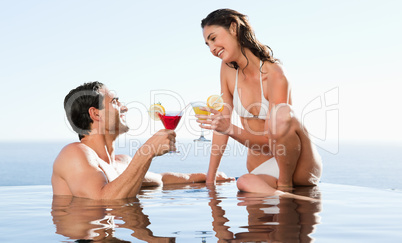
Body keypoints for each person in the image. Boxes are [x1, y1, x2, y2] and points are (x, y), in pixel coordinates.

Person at [197, 9, 322, 194]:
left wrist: (230, 128)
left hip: (297, 165)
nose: (212, 49)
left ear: (233, 28)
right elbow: (221, 126)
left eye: (213, 38)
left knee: (282, 112)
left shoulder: (275, 74)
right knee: (245, 182)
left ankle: (285, 187)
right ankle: (286, 198)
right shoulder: (227, 69)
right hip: (261, 167)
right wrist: (210, 178)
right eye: (207, 44)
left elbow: (274, 140)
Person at [52, 81, 232, 199]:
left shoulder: (121, 163)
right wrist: (147, 151)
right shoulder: (74, 153)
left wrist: (208, 176)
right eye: (115, 102)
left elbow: (160, 180)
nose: (125, 108)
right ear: (95, 113)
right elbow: (103, 200)